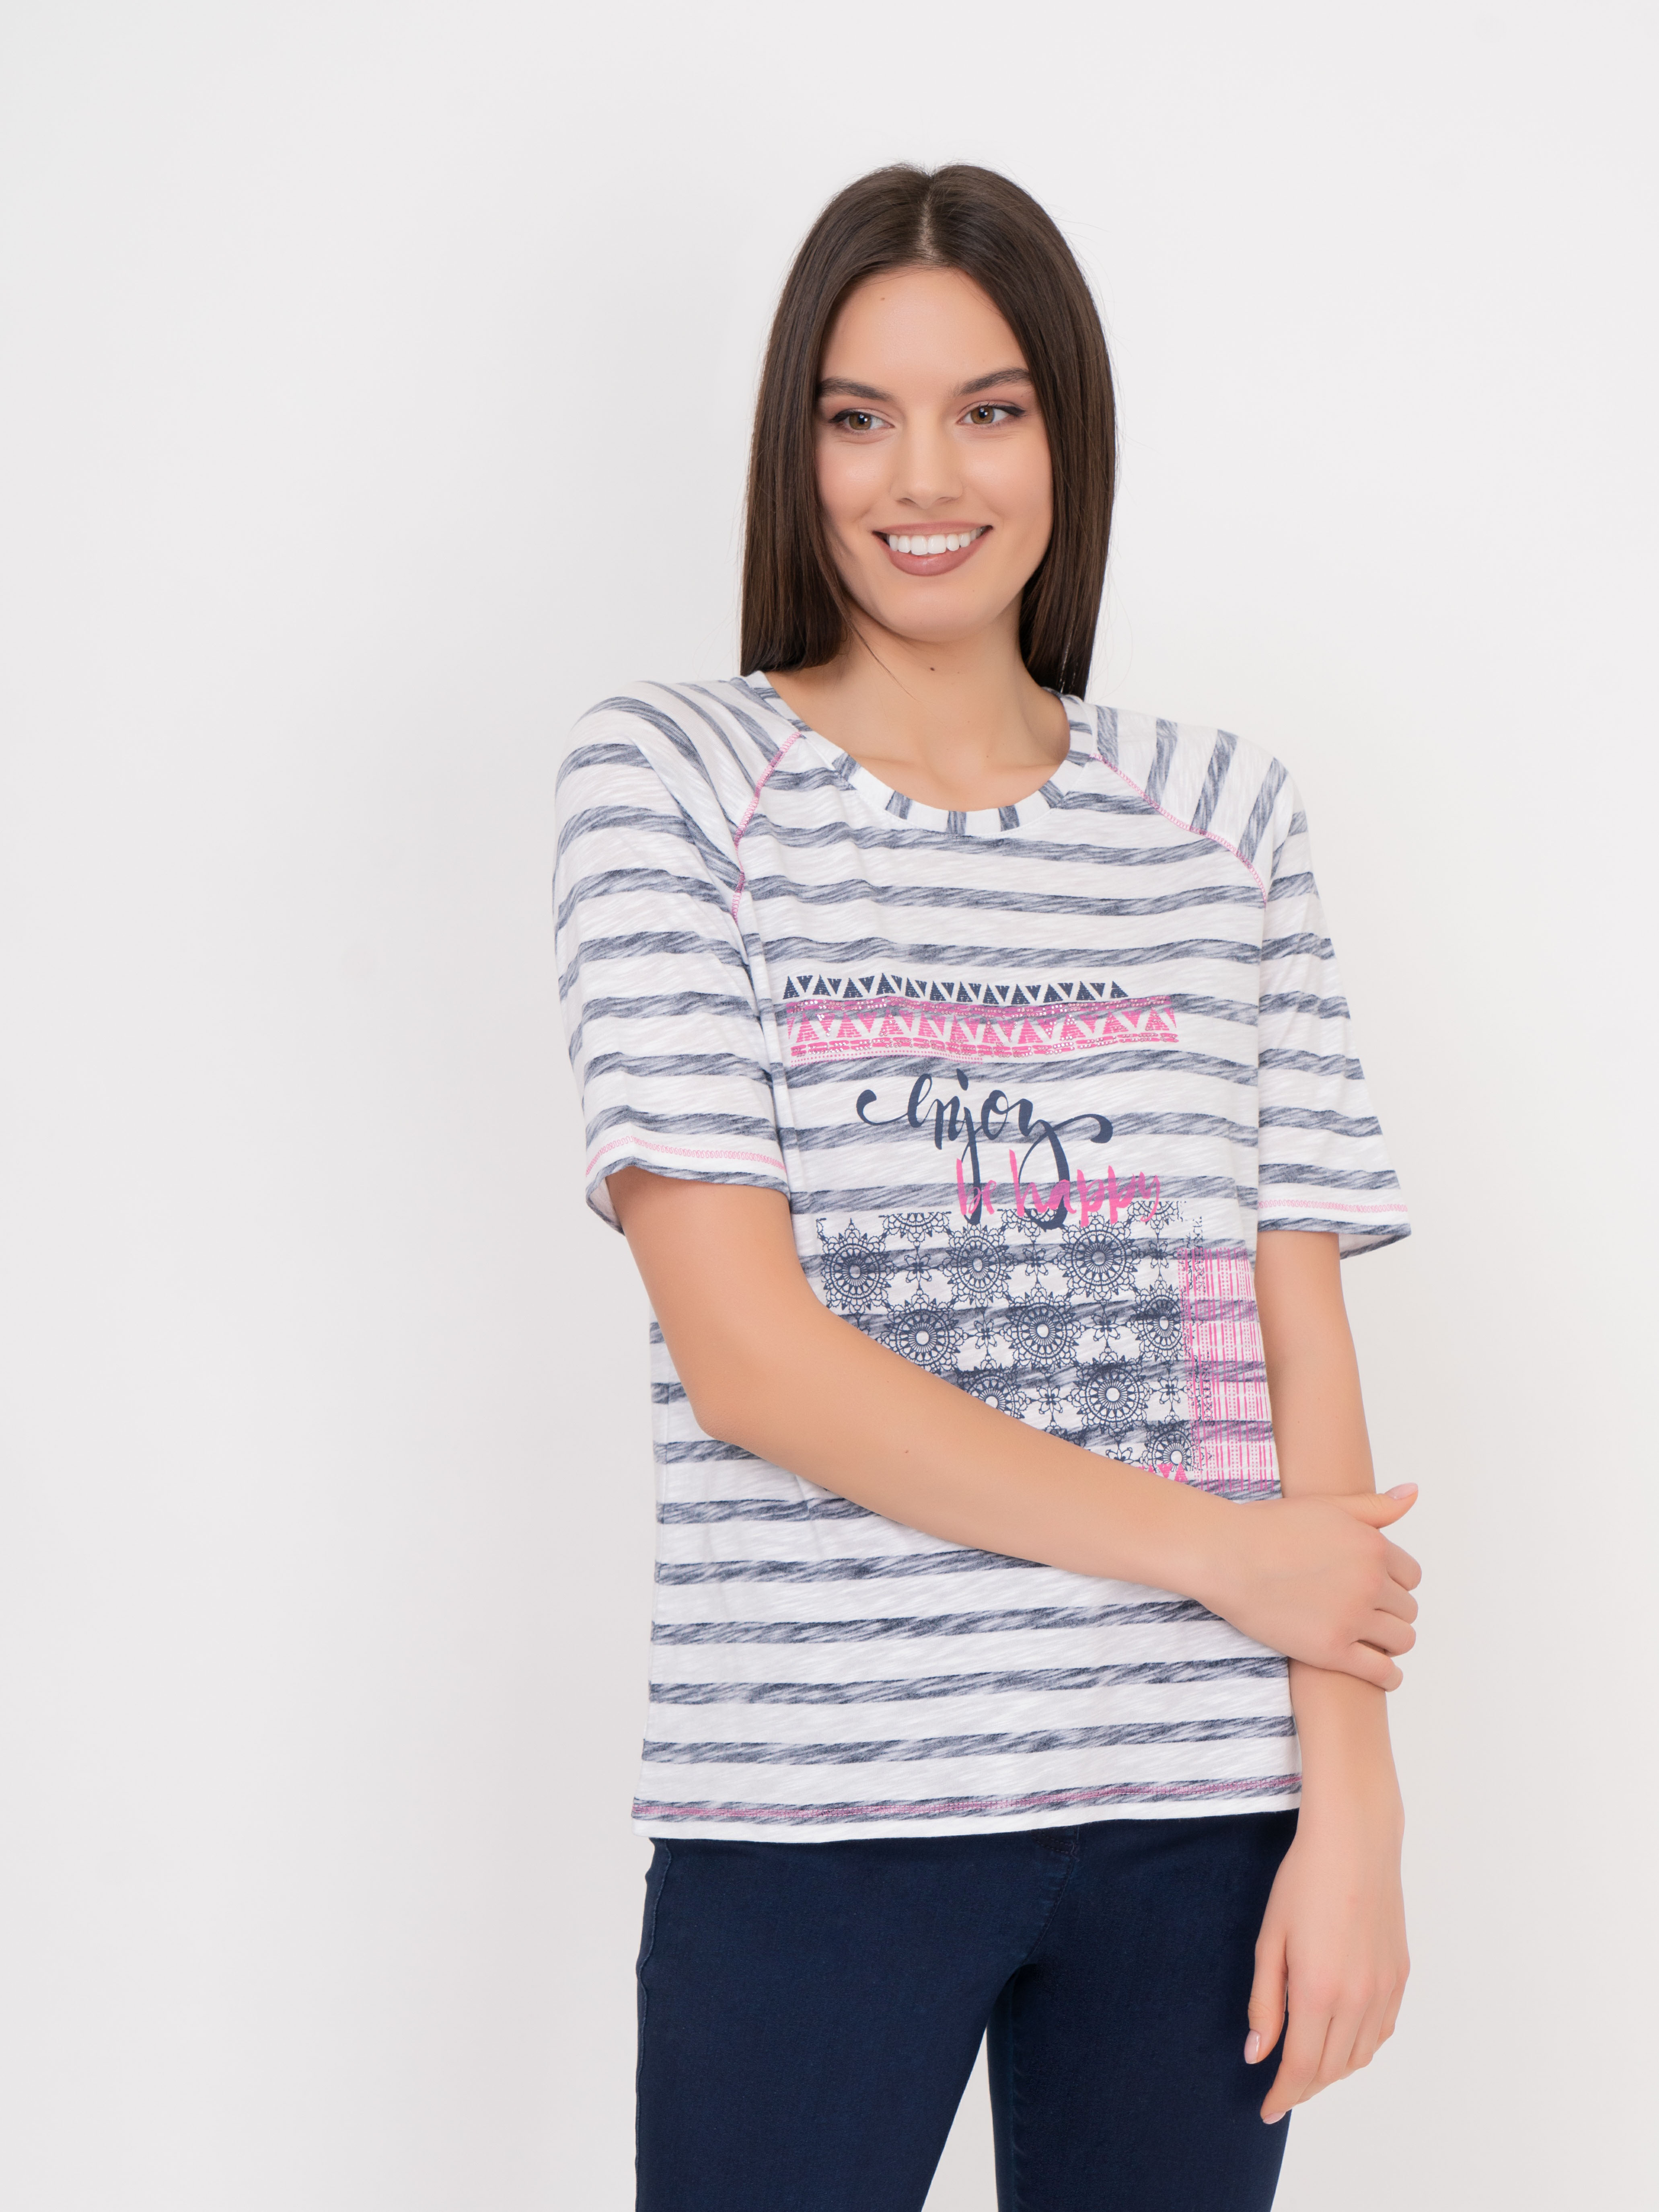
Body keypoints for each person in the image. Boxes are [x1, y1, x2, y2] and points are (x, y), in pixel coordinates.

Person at [553, 162, 1418, 2212]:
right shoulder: (674, 780)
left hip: (1201, 1808)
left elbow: (1291, 1328)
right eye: (859, 416)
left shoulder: (1225, 817)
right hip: (821, 1799)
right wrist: (1225, 1557)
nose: (922, 477)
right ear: (798, 451)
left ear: (1065, 438)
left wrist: (1355, 1806)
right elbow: (754, 1359)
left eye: (989, 410)